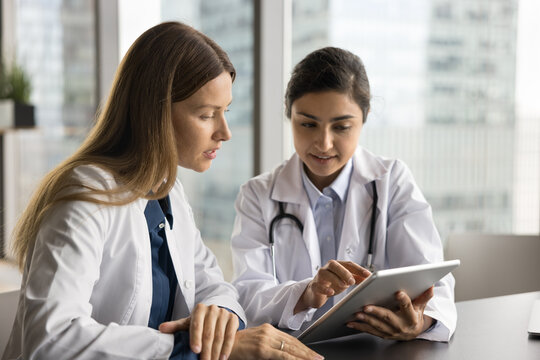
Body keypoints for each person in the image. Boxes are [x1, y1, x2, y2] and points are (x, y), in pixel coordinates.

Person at [2, 22, 323, 360]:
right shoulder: (85, 198)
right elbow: (51, 339)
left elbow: (214, 285)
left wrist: (219, 319)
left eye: (224, 113)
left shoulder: (168, 193)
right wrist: (188, 350)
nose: (224, 132)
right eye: (206, 115)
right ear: (154, 113)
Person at [231, 47, 457, 342]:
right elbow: (248, 295)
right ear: (289, 115)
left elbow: (432, 283)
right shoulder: (258, 195)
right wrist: (307, 293)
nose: (323, 144)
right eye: (308, 124)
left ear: (364, 119)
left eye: (342, 127)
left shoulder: (392, 182)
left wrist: (420, 321)